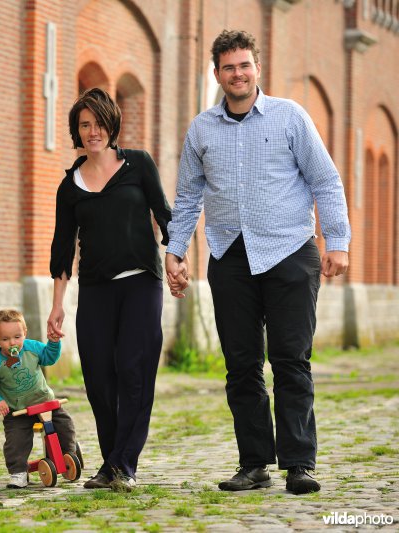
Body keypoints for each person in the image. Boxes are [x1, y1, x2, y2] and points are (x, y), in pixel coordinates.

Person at [165, 30, 351, 495]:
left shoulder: (291, 117)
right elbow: (187, 197)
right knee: (242, 364)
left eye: (244, 65)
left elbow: (326, 182)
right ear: (217, 75)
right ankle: (254, 464)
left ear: (257, 69)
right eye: (229, 67)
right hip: (229, 255)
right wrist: (174, 250)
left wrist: (338, 242)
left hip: (290, 251)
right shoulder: (202, 129)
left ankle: (299, 464)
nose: (238, 74)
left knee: (291, 359)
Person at [47, 88, 172, 492]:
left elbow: (165, 215)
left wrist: (178, 258)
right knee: (99, 378)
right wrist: (57, 306)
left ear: (111, 125)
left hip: (141, 282)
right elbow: (63, 249)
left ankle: (123, 465)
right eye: (85, 125)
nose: (92, 131)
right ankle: (111, 461)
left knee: (133, 371)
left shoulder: (138, 164)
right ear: (76, 132)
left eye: (99, 123)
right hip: (97, 290)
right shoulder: (69, 187)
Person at [0, 309, 78, 489]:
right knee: (16, 440)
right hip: (18, 411)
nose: (12, 343)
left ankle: (67, 455)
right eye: (5, 339)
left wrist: (54, 343)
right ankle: (18, 472)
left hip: (45, 402)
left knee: (65, 424)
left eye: (17, 337)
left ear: (25, 333)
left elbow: (49, 358)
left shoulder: (32, 348)